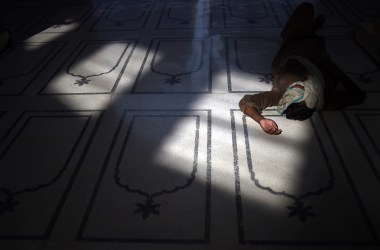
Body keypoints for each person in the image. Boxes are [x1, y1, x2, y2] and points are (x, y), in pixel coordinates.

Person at [239, 2, 366, 135]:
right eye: (300, 89)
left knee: (306, 8)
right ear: (311, 95)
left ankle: (308, 29)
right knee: (308, 12)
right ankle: (311, 30)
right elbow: (358, 97)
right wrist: (337, 72)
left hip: (292, 42)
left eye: (294, 89)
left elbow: (246, 102)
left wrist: (261, 120)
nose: (297, 86)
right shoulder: (326, 96)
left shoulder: (280, 95)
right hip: (313, 47)